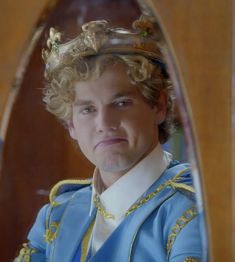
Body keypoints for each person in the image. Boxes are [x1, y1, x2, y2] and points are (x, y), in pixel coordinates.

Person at [16, 15, 204, 262]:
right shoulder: (56, 215)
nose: (104, 124)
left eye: (121, 103)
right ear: (71, 124)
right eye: (87, 109)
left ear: (158, 106)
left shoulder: (195, 207)